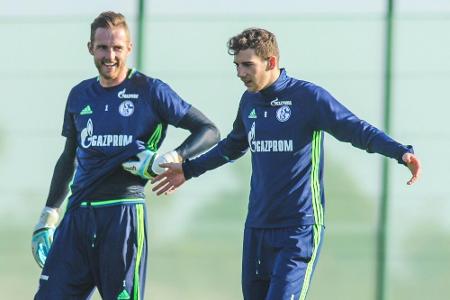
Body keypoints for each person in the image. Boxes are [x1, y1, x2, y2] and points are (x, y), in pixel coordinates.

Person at [151, 28, 422, 300]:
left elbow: (356, 129)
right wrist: (188, 170)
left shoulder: (309, 98)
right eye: (237, 65)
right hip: (257, 228)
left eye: (247, 65)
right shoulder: (249, 101)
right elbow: (232, 146)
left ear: (270, 62)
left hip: (299, 230)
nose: (240, 73)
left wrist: (400, 153)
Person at [31, 11, 220, 300]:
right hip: (77, 216)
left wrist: (171, 157)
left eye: (117, 48)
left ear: (129, 48)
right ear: (91, 48)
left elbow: (208, 130)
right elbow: (69, 157)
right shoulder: (79, 95)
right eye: (103, 47)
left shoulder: (151, 90)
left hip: (122, 214)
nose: (110, 55)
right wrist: (48, 214)